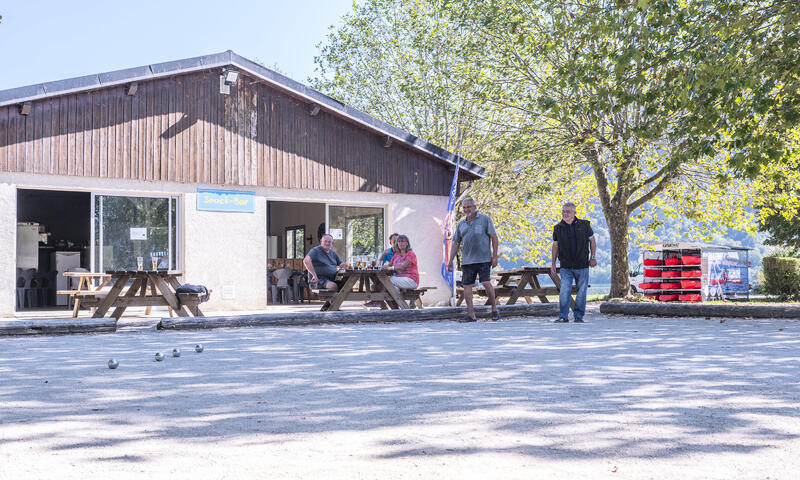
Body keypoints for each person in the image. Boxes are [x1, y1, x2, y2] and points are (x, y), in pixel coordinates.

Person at [447, 198, 500, 322]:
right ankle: (471, 314)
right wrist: (450, 261)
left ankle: (494, 309)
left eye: (469, 207)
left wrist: (495, 256)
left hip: (484, 259)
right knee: (467, 287)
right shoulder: (461, 224)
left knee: (486, 283)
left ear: (475, 207)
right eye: (464, 208)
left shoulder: (484, 219)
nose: (466, 210)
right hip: (467, 261)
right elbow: (456, 243)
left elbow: (494, 237)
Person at [551, 202, 597, 323]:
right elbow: (555, 246)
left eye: (568, 211)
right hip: (565, 265)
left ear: (574, 213)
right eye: (563, 211)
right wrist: (553, 264)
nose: (565, 214)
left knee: (581, 291)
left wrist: (593, 257)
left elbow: (592, 241)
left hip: (582, 265)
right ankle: (563, 316)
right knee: (564, 290)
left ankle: (578, 316)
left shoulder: (584, 225)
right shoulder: (558, 228)